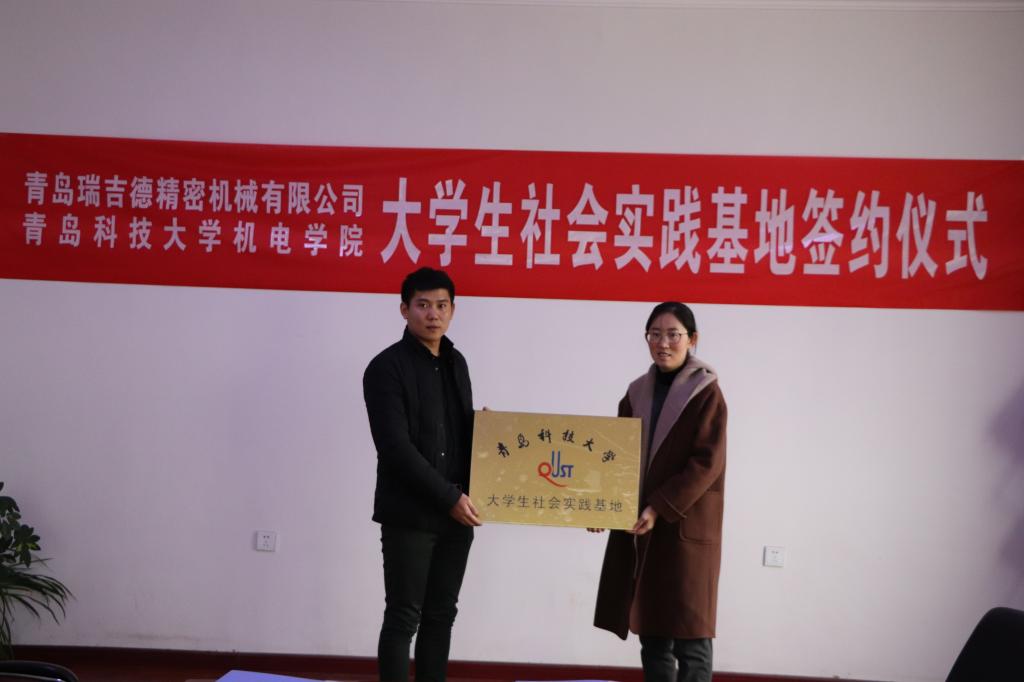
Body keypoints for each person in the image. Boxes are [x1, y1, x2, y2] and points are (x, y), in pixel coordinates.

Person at [591, 301, 727, 682]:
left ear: (692, 339)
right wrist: (600, 507)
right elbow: (615, 456)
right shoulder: (636, 393)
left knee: (691, 637)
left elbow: (707, 463)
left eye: (673, 335)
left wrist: (657, 506)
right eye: (655, 334)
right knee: (651, 633)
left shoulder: (706, 393)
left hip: (684, 526)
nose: (663, 343)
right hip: (641, 526)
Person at [363, 267, 482, 682]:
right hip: (410, 514)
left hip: (457, 515)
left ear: (453, 310)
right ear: (404, 309)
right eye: (423, 305)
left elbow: (458, 433)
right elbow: (395, 448)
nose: (433, 314)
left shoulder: (457, 363)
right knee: (403, 617)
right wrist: (449, 498)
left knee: (441, 615)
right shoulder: (385, 368)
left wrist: (489, 433)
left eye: (442, 305)